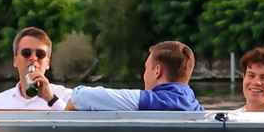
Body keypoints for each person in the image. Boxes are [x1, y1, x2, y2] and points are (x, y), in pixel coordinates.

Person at [66, 41, 202, 111]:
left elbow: (81, 97)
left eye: (146, 68)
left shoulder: (153, 100)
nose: (144, 75)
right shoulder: (195, 106)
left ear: (157, 71)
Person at [0, 27, 72, 110]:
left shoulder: (67, 96)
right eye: (26, 53)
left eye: (40, 54)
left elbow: (73, 118)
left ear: (48, 63)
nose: (33, 58)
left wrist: (51, 99)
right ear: (15, 61)